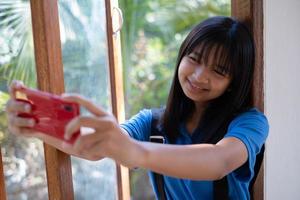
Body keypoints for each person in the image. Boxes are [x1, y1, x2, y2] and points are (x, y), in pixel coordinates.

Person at [5, 16, 268, 199]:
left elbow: (219, 161)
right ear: (182, 57)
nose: (199, 76)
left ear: (233, 83)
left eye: (218, 71)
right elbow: (94, 146)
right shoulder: (153, 123)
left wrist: (134, 152)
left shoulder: (250, 123)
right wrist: (35, 125)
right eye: (194, 59)